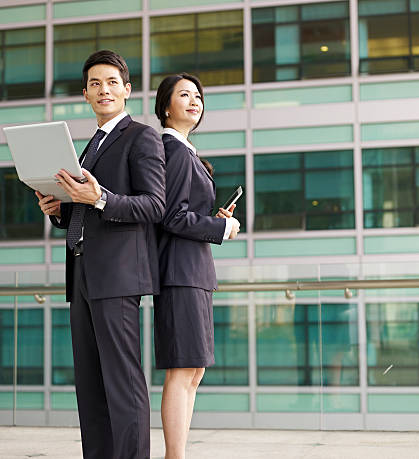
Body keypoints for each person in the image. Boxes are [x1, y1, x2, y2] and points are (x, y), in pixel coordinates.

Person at [36, 49, 165, 459]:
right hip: (82, 272)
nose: (103, 89)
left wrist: (102, 198)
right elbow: (85, 207)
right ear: (86, 96)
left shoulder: (142, 136)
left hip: (119, 276)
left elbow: (154, 205)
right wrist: (60, 209)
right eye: (95, 84)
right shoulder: (88, 145)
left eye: (112, 82)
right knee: (91, 386)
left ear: (127, 90)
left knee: (123, 383)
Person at [153, 73, 240, 459]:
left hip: (194, 272)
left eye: (198, 96)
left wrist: (214, 220)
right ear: (166, 107)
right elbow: (171, 217)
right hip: (180, 273)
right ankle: (175, 456)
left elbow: (185, 214)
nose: (194, 101)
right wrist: (220, 227)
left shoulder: (188, 152)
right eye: (184, 95)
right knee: (183, 368)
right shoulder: (173, 151)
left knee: (194, 371)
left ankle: (179, 453)